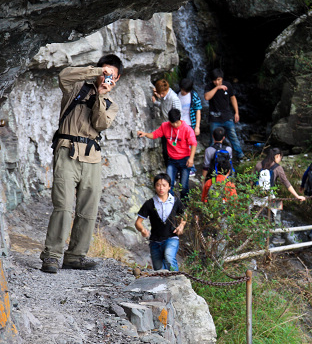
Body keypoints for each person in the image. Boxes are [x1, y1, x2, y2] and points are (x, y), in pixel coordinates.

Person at [40, 54, 123, 273]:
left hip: (92, 157)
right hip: (67, 150)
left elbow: (100, 124)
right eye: (105, 72)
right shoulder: (76, 88)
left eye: (111, 75)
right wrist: (97, 72)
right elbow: (63, 75)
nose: (106, 77)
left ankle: (76, 256)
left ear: (117, 79)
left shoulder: (111, 105)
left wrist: (100, 97)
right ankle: (51, 256)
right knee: (63, 206)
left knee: (88, 210)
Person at [137, 108, 197, 200]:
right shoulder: (165, 126)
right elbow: (155, 134)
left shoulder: (187, 129)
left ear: (180, 119)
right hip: (172, 160)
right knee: (168, 184)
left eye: (176, 122)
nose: (175, 125)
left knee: (184, 185)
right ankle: (170, 203)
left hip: (185, 159)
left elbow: (193, 144)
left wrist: (191, 158)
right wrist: (145, 134)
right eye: (173, 123)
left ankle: (185, 205)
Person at [135, 173, 187, 271]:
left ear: (169, 187)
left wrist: (181, 225)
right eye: (158, 185)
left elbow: (184, 216)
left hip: (171, 237)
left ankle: (177, 279)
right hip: (155, 241)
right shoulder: (149, 203)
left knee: (169, 257)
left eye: (164, 185)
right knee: (159, 269)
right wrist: (142, 230)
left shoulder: (175, 201)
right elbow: (138, 222)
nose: (161, 188)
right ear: (155, 187)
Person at [254, 147, 306, 224]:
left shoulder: (258, 164)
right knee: (277, 210)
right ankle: (276, 227)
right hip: (268, 196)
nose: (280, 160)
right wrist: (297, 196)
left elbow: (252, 180)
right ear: (277, 156)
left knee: (255, 213)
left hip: (256, 195)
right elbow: (286, 183)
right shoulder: (278, 168)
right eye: (280, 158)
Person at [204, 68, 245, 160]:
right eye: (215, 80)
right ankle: (211, 158)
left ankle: (240, 155)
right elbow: (206, 97)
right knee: (213, 139)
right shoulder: (209, 86)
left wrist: (236, 112)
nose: (217, 82)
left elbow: (233, 98)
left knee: (233, 137)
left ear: (222, 78)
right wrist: (217, 88)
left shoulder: (228, 85)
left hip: (227, 116)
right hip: (214, 118)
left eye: (219, 80)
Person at [177, 77, 202, 177]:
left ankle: (191, 168)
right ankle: (181, 169)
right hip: (178, 125)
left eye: (185, 91)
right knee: (179, 147)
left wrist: (197, 126)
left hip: (189, 124)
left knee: (189, 147)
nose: (183, 92)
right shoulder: (176, 94)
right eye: (182, 89)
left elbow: (198, 111)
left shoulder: (193, 96)